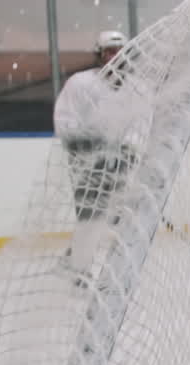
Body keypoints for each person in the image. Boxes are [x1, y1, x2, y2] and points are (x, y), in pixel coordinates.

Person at [52, 30, 144, 283]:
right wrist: (91, 145)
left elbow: (140, 126)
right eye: (109, 51)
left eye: (119, 51)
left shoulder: (137, 88)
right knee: (91, 218)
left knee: (119, 219)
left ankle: (104, 268)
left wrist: (127, 150)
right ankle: (77, 270)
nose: (114, 56)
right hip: (87, 164)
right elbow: (65, 121)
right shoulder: (80, 83)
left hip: (121, 163)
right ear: (99, 55)